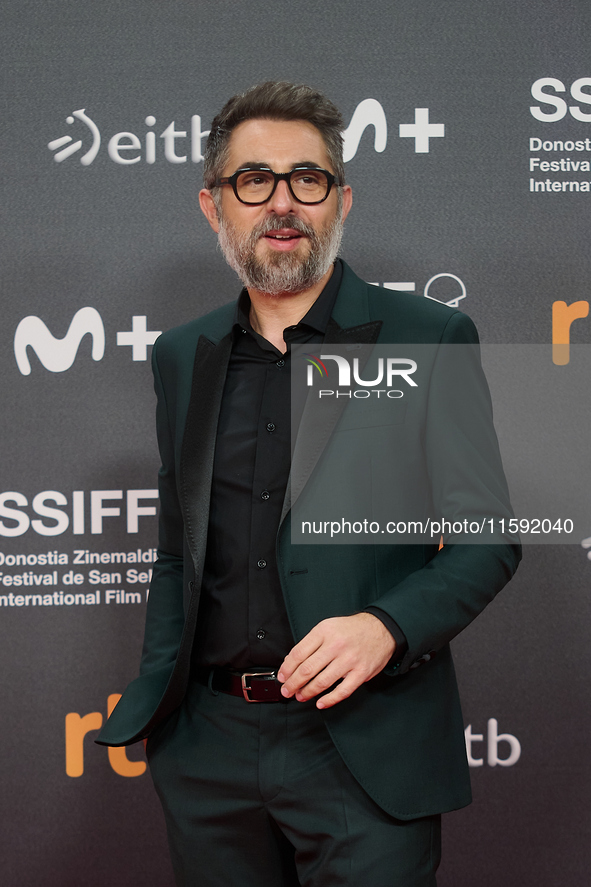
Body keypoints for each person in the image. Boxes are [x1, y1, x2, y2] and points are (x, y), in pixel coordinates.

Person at [97, 81, 521, 886]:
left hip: (362, 745)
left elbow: (485, 541)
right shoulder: (182, 354)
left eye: (308, 179)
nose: (282, 203)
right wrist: (167, 704)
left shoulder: (428, 337)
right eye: (253, 180)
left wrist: (386, 626)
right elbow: (174, 551)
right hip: (207, 749)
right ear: (212, 204)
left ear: (341, 199)